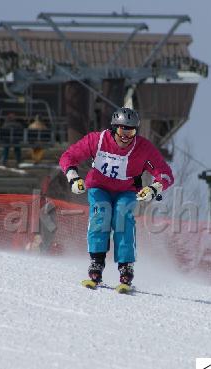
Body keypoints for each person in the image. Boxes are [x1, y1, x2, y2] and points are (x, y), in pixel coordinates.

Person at [59, 107, 174, 290]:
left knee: (122, 218)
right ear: (114, 129)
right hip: (99, 187)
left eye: (131, 132)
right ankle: (97, 262)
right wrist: (73, 177)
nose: (126, 137)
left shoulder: (143, 148)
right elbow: (69, 156)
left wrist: (154, 188)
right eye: (122, 130)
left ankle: (126, 266)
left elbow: (165, 173)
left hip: (126, 191)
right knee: (101, 214)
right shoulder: (97, 140)